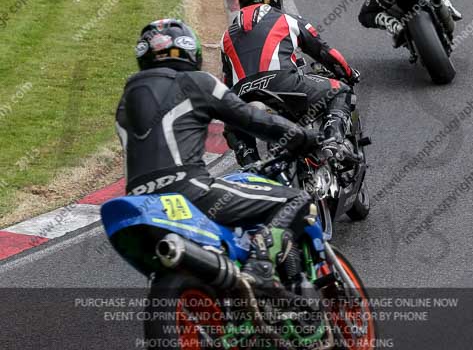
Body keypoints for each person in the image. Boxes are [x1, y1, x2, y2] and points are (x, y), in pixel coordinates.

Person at [116, 18, 320, 295]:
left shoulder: (126, 100)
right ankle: (260, 265)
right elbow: (250, 117)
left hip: (139, 203)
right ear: (191, 50)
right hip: (191, 192)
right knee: (297, 198)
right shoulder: (195, 82)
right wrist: (301, 136)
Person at [220, 0, 359, 166]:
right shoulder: (287, 19)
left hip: (241, 95)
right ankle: (332, 141)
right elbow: (323, 51)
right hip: (283, 83)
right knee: (340, 90)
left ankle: (250, 164)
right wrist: (348, 73)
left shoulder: (225, 36)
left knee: (233, 125)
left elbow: (227, 82)